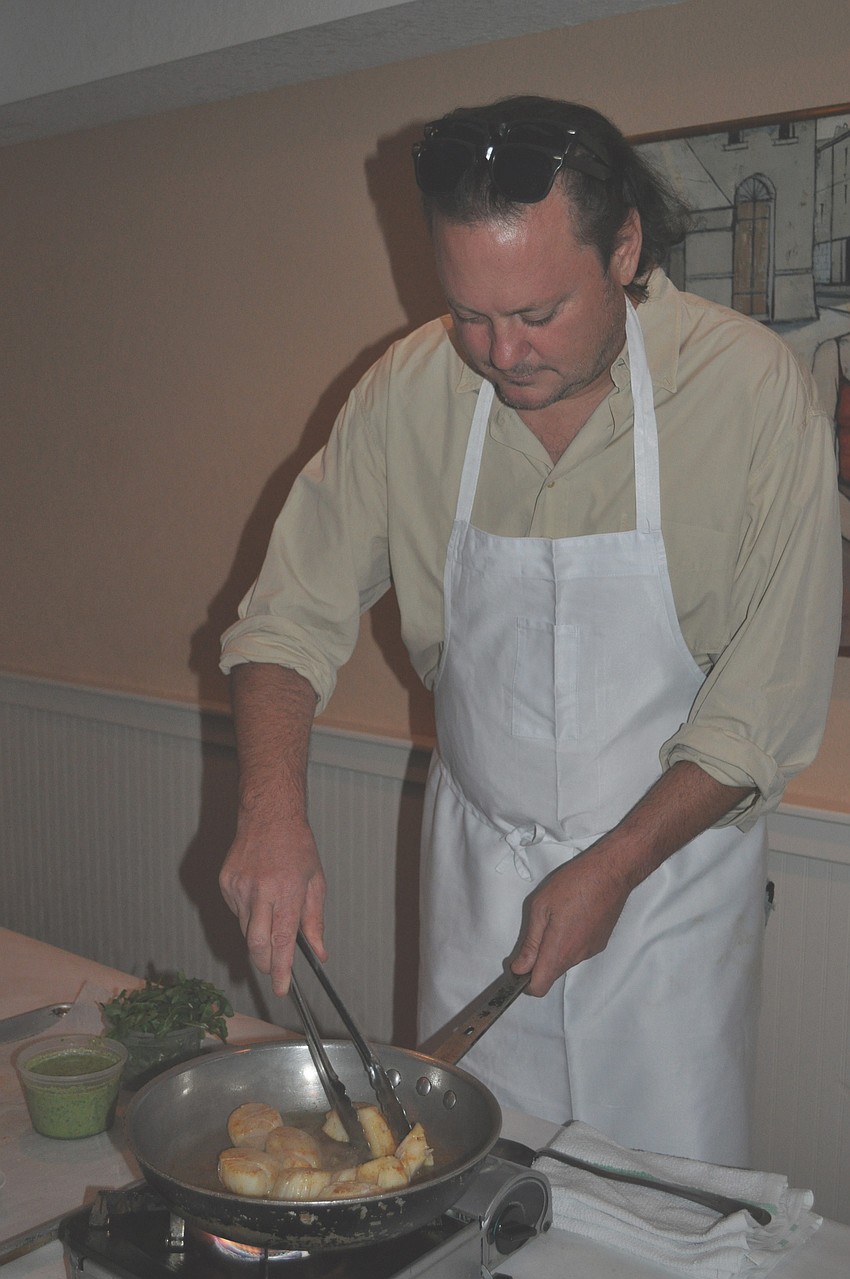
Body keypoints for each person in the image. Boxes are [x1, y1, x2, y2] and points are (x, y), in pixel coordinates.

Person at [219, 95, 842, 1165]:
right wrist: (272, 810)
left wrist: (614, 863)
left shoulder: (748, 391)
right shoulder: (409, 390)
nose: (499, 353)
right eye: (468, 313)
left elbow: (765, 704)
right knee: (469, 1184)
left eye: (538, 313)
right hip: (479, 886)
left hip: (665, 894)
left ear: (625, 248)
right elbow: (287, 614)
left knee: (660, 1206)